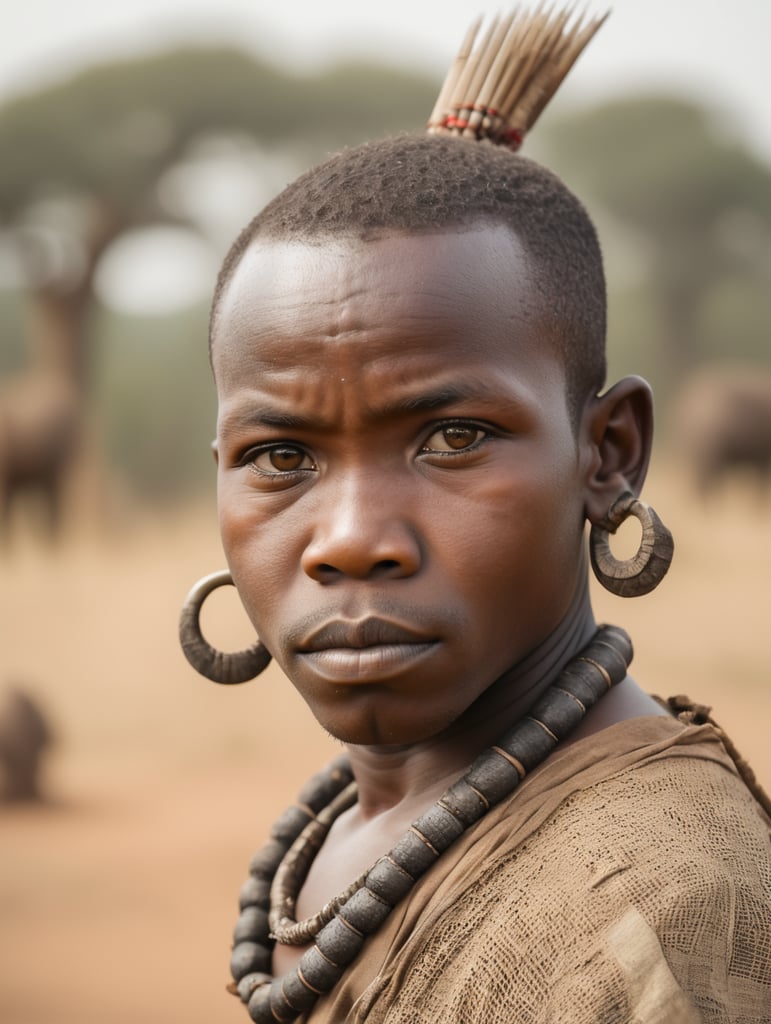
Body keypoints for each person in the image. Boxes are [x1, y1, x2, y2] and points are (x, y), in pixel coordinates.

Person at [179, 10, 771, 1023]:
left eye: (452, 438)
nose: (350, 539)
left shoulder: (659, 920)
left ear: (606, 454)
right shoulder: (359, 827)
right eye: (281, 458)